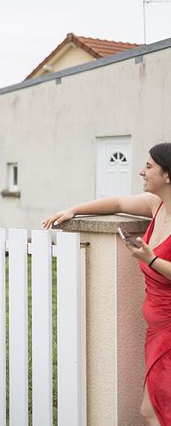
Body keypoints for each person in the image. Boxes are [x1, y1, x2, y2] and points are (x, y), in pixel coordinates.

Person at [43, 142, 171, 426]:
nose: (141, 171)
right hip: (157, 330)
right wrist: (73, 210)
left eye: (149, 166)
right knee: (155, 410)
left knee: (155, 411)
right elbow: (117, 203)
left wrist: (150, 260)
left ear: (168, 176)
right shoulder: (156, 205)